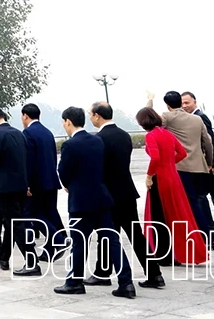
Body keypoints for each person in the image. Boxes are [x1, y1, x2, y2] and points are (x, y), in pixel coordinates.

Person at [54, 107, 134, 299]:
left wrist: (69, 184)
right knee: (112, 241)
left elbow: (63, 172)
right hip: (102, 198)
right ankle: (126, 282)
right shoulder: (97, 140)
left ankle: (74, 282)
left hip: (81, 201)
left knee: (79, 243)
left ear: (68, 122)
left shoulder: (70, 145)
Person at [91, 102, 162, 288]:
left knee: (106, 234)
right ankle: (154, 274)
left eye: (91, 114)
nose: (91, 118)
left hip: (109, 194)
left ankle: (102, 273)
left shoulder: (99, 139)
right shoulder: (124, 136)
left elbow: (99, 169)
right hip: (127, 192)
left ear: (97, 115)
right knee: (136, 235)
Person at [135, 107, 206, 266]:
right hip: (173, 177)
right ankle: (181, 252)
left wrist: (149, 175)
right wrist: (168, 165)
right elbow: (181, 153)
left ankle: (164, 255)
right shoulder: (168, 133)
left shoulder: (151, 136)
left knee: (159, 216)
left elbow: (155, 157)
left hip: (160, 179)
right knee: (177, 214)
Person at [148, 90, 214, 241]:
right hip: (200, 167)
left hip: (181, 167)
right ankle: (207, 233)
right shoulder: (197, 119)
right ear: (180, 102)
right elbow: (208, 142)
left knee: (190, 204)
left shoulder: (167, 117)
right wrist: (209, 163)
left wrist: (150, 101)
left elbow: (149, 120)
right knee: (199, 201)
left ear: (167, 105)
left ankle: (206, 236)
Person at [0, 107, 37, 275]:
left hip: (5, 187)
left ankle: (32, 262)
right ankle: (4, 256)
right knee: (11, 222)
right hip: (19, 184)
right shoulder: (19, 133)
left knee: (16, 224)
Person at [21, 103, 65, 259]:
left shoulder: (27, 133)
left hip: (36, 183)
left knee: (31, 214)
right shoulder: (47, 132)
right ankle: (51, 249)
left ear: (25, 116)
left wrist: (27, 183)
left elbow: (29, 161)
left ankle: (60, 239)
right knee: (50, 212)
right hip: (51, 180)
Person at [181, 92, 214, 229]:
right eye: (182, 103)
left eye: (187, 102)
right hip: (204, 165)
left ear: (195, 102)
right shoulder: (192, 119)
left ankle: (213, 230)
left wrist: (213, 163)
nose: (184, 106)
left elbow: (210, 141)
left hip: (208, 166)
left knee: (205, 197)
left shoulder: (200, 117)